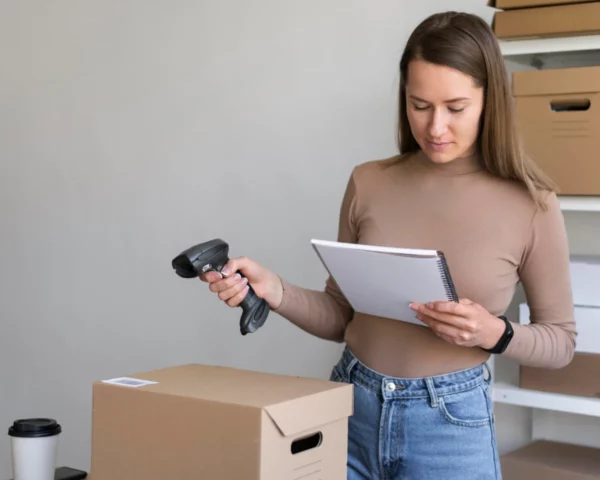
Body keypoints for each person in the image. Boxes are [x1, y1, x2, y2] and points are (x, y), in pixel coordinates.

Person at [200, 10, 576, 480]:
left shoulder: (532, 204)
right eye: (420, 105)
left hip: (451, 427)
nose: (435, 127)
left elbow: (561, 342)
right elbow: (341, 317)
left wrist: (494, 333)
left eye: (455, 108)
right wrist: (272, 288)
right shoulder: (369, 182)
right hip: (351, 408)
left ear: (489, 100)